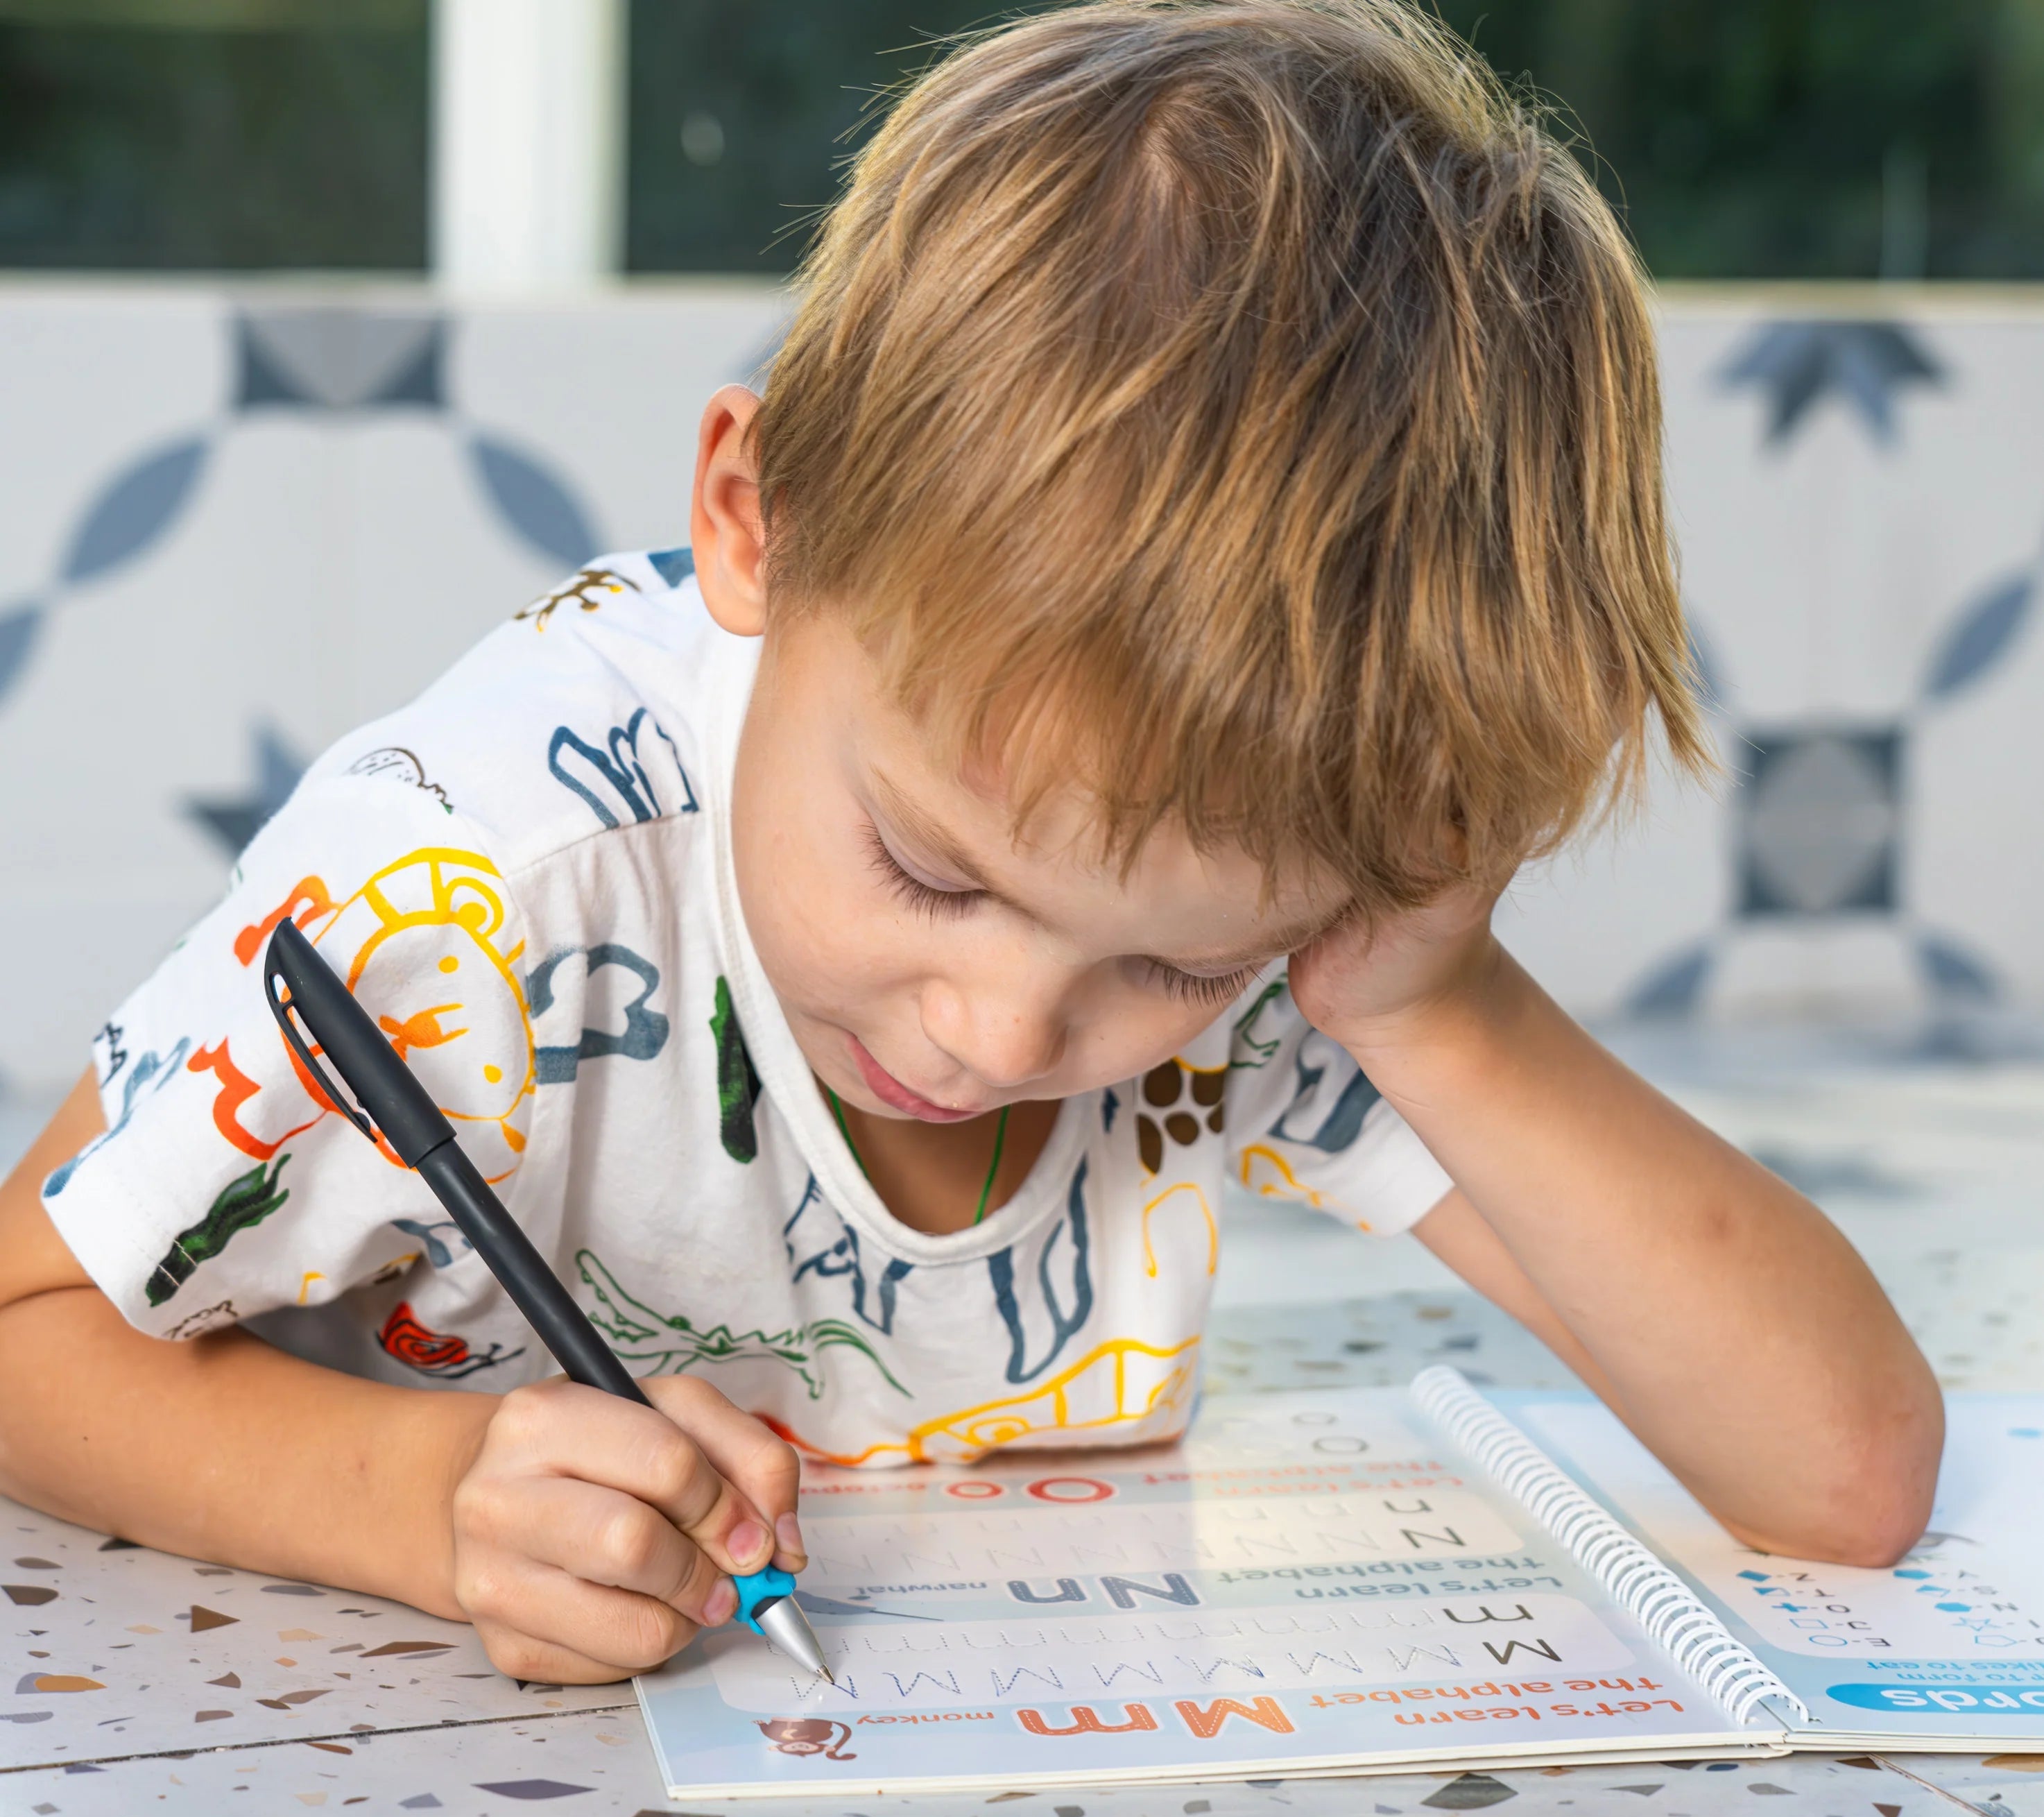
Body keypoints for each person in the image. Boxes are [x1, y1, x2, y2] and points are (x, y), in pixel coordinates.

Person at [0, 0, 1939, 1686]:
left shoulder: (1290, 920)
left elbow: (1837, 1476)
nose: (1005, 1033)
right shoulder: (476, 886)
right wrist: (424, 1505)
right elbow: (25, 1326)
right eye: (930, 872)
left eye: (1170, 967)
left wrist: (1436, 1005)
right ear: (754, 520)